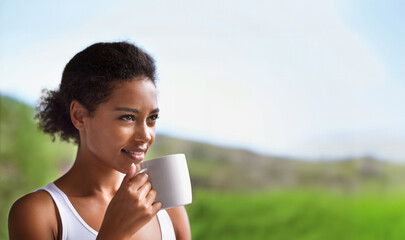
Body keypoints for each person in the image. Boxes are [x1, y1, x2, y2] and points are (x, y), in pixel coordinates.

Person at [8, 42, 191, 240]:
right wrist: (113, 233)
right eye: (127, 117)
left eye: (152, 118)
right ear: (79, 116)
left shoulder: (167, 205)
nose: (146, 135)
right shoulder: (39, 214)